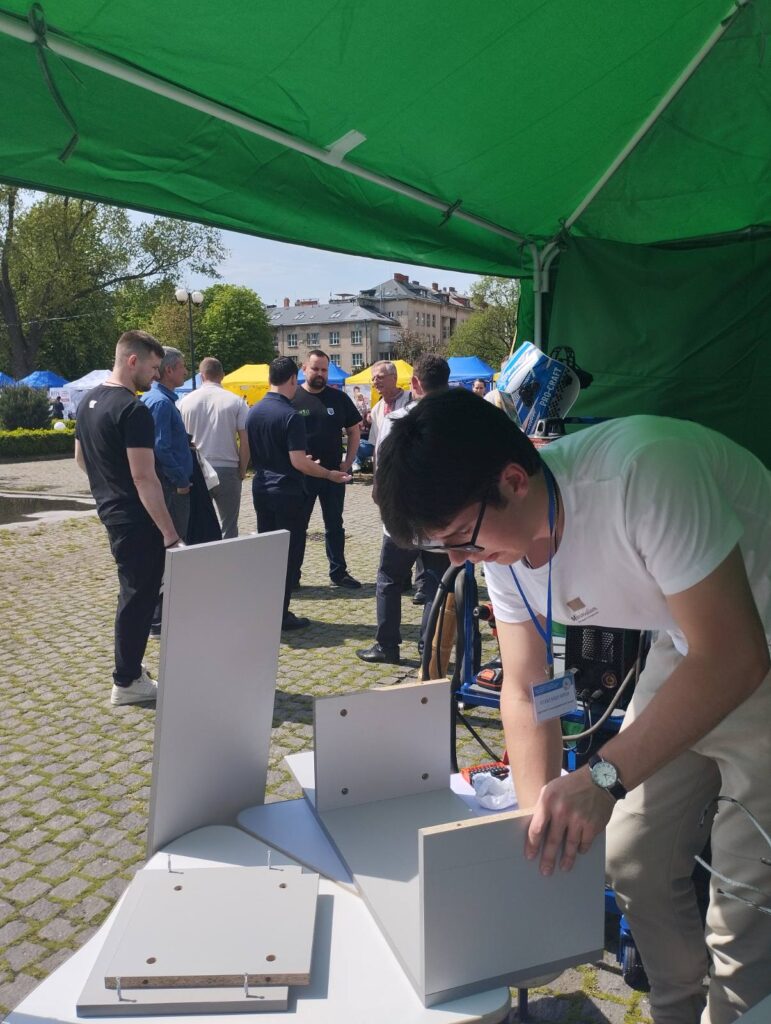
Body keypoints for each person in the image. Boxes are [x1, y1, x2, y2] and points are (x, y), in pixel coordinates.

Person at [375, 387, 770, 1024]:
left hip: (749, 645)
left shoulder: (644, 475)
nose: (458, 561)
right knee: (633, 858)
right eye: (440, 547)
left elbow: (735, 657)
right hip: (691, 645)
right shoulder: (499, 539)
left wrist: (602, 779)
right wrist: (537, 826)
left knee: (744, 901)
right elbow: (525, 686)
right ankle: (677, 1009)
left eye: (461, 540)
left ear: (513, 480)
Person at [74, 330, 183, 706]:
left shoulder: (88, 400)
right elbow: (144, 477)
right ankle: (127, 681)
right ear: (132, 360)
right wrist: (170, 534)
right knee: (139, 598)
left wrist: (108, 487)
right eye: (153, 367)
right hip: (137, 518)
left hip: (112, 512)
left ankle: (130, 668)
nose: (156, 375)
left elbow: (81, 458)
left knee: (133, 594)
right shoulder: (133, 410)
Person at [356, 355, 451, 666]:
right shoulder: (460, 421)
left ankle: (387, 645)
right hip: (442, 520)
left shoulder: (398, 419)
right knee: (436, 586)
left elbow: (382, 466)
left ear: (415, 383)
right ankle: (429, 649)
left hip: (402, 519)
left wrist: (380, 498)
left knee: (389, 579)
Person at [247, 357, 351, 632]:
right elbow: (298, 462)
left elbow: (251, 454)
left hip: (261, 488)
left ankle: (265, 608)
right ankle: (280, 615)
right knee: (287, 554)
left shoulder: (254, 410)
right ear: (294, 378)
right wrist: (328, 473)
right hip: (286, 491)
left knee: (268, 552)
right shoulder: (290, 414)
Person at [292, 349, 362, 589]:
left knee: (334, 525)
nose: (320, 373)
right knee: (298, 526)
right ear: (304, 369)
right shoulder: (293, 398)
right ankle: (293, 575)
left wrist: (348, 461)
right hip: (302, 475)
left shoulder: (339, 398)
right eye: (315, 369)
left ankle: (339, 572)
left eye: (324, 369)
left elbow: (354, 430)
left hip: (334, 475)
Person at [178, 356, 249, 539]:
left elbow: (180, 439)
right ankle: (228, 556)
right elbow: (245, 440)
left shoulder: (185, 402)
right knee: (229, 525)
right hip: (228, 467)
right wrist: (242, 469)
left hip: (197, 468)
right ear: (222, 375)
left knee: (197, 522)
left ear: (201, 375)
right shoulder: (237, 401)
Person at [141, 346, 193, 542]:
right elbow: (160, 447)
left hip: (168, 485)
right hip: (171, 488)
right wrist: (181, 480)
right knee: (175, 541)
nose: (186, 372)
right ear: (169, 370)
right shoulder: (161, 402)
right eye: (182, 367)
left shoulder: (157, 398)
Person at [366, 360, 411, 450]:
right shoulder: (376, 410)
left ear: (394, 378)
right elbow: (376, 444)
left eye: (380, 377)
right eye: (373, 379)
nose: (375, 382)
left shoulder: (412, 400)